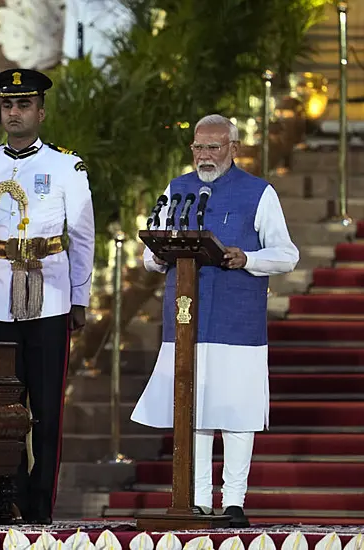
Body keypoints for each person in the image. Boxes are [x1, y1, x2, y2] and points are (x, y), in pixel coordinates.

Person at [130, 114, 299, 528]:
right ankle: (199, 498)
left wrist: (250, 258)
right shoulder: (177, 189)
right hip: (187, 317)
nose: (205, 155)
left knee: (236, 411)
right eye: (199, 147)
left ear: (233, 148)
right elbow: (152, 249)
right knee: (195, 409)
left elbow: (287, 254)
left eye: (214, 146)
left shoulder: (258, 192)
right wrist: (155, 255)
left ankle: (235, 501)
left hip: (236, 320)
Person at [0, 68, 95, 523]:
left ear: (40, 111)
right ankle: (9, 496)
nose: (15, 112)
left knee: (45, 406)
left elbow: (82, 236)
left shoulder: (66, 166)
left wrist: (80, 296)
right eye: (8, 105)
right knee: (1, 406)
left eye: (23, 104)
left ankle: (41, 502)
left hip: (49, 292)